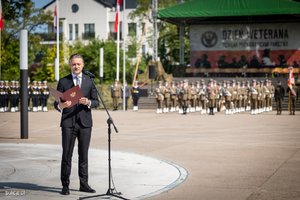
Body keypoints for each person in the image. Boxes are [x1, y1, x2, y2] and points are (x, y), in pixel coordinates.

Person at [54, 54, 99, 195]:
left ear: (83, 65)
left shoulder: (89, 81)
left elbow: (96, 101)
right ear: (70, 65)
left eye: (79, 64)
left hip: (85, 123)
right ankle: (65, 185)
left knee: (83, 155)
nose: (76, 66)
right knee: (67, 155)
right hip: (68, 123)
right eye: (74, 64)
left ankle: (84, 184)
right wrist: (62, 104)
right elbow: (56, 103)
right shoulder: (63, 81)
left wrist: (89, 102)